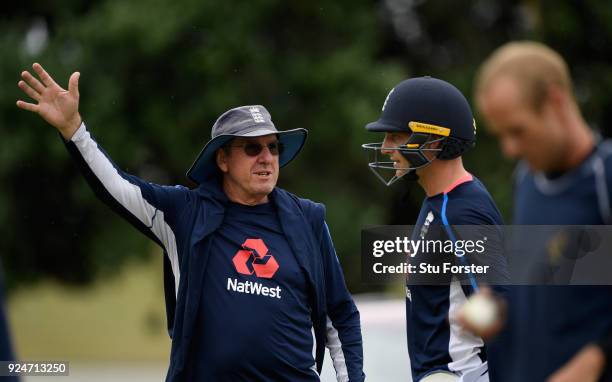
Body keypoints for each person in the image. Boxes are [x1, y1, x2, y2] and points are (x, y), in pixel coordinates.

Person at [16, 63, 365, 382]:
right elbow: (117, 186)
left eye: (273, 148)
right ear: (223, 160)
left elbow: (340, 315)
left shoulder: (308, 219)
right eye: (252, 148)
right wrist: (73, 129)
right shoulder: (185, 214)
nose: (266, 158)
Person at [475, 41, 612, 382]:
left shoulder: (604, 178)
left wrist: (596, 359)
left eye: (518, 131)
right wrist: (498, 313)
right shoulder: (527, 182)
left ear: (555, 102)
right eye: (501, 135)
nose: (509, 149)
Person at [363, 76, 507, 382]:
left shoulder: (462, 212)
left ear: (435, 140)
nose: (387, 148)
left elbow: (504, 315)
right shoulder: (438, 202)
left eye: (396, 136)